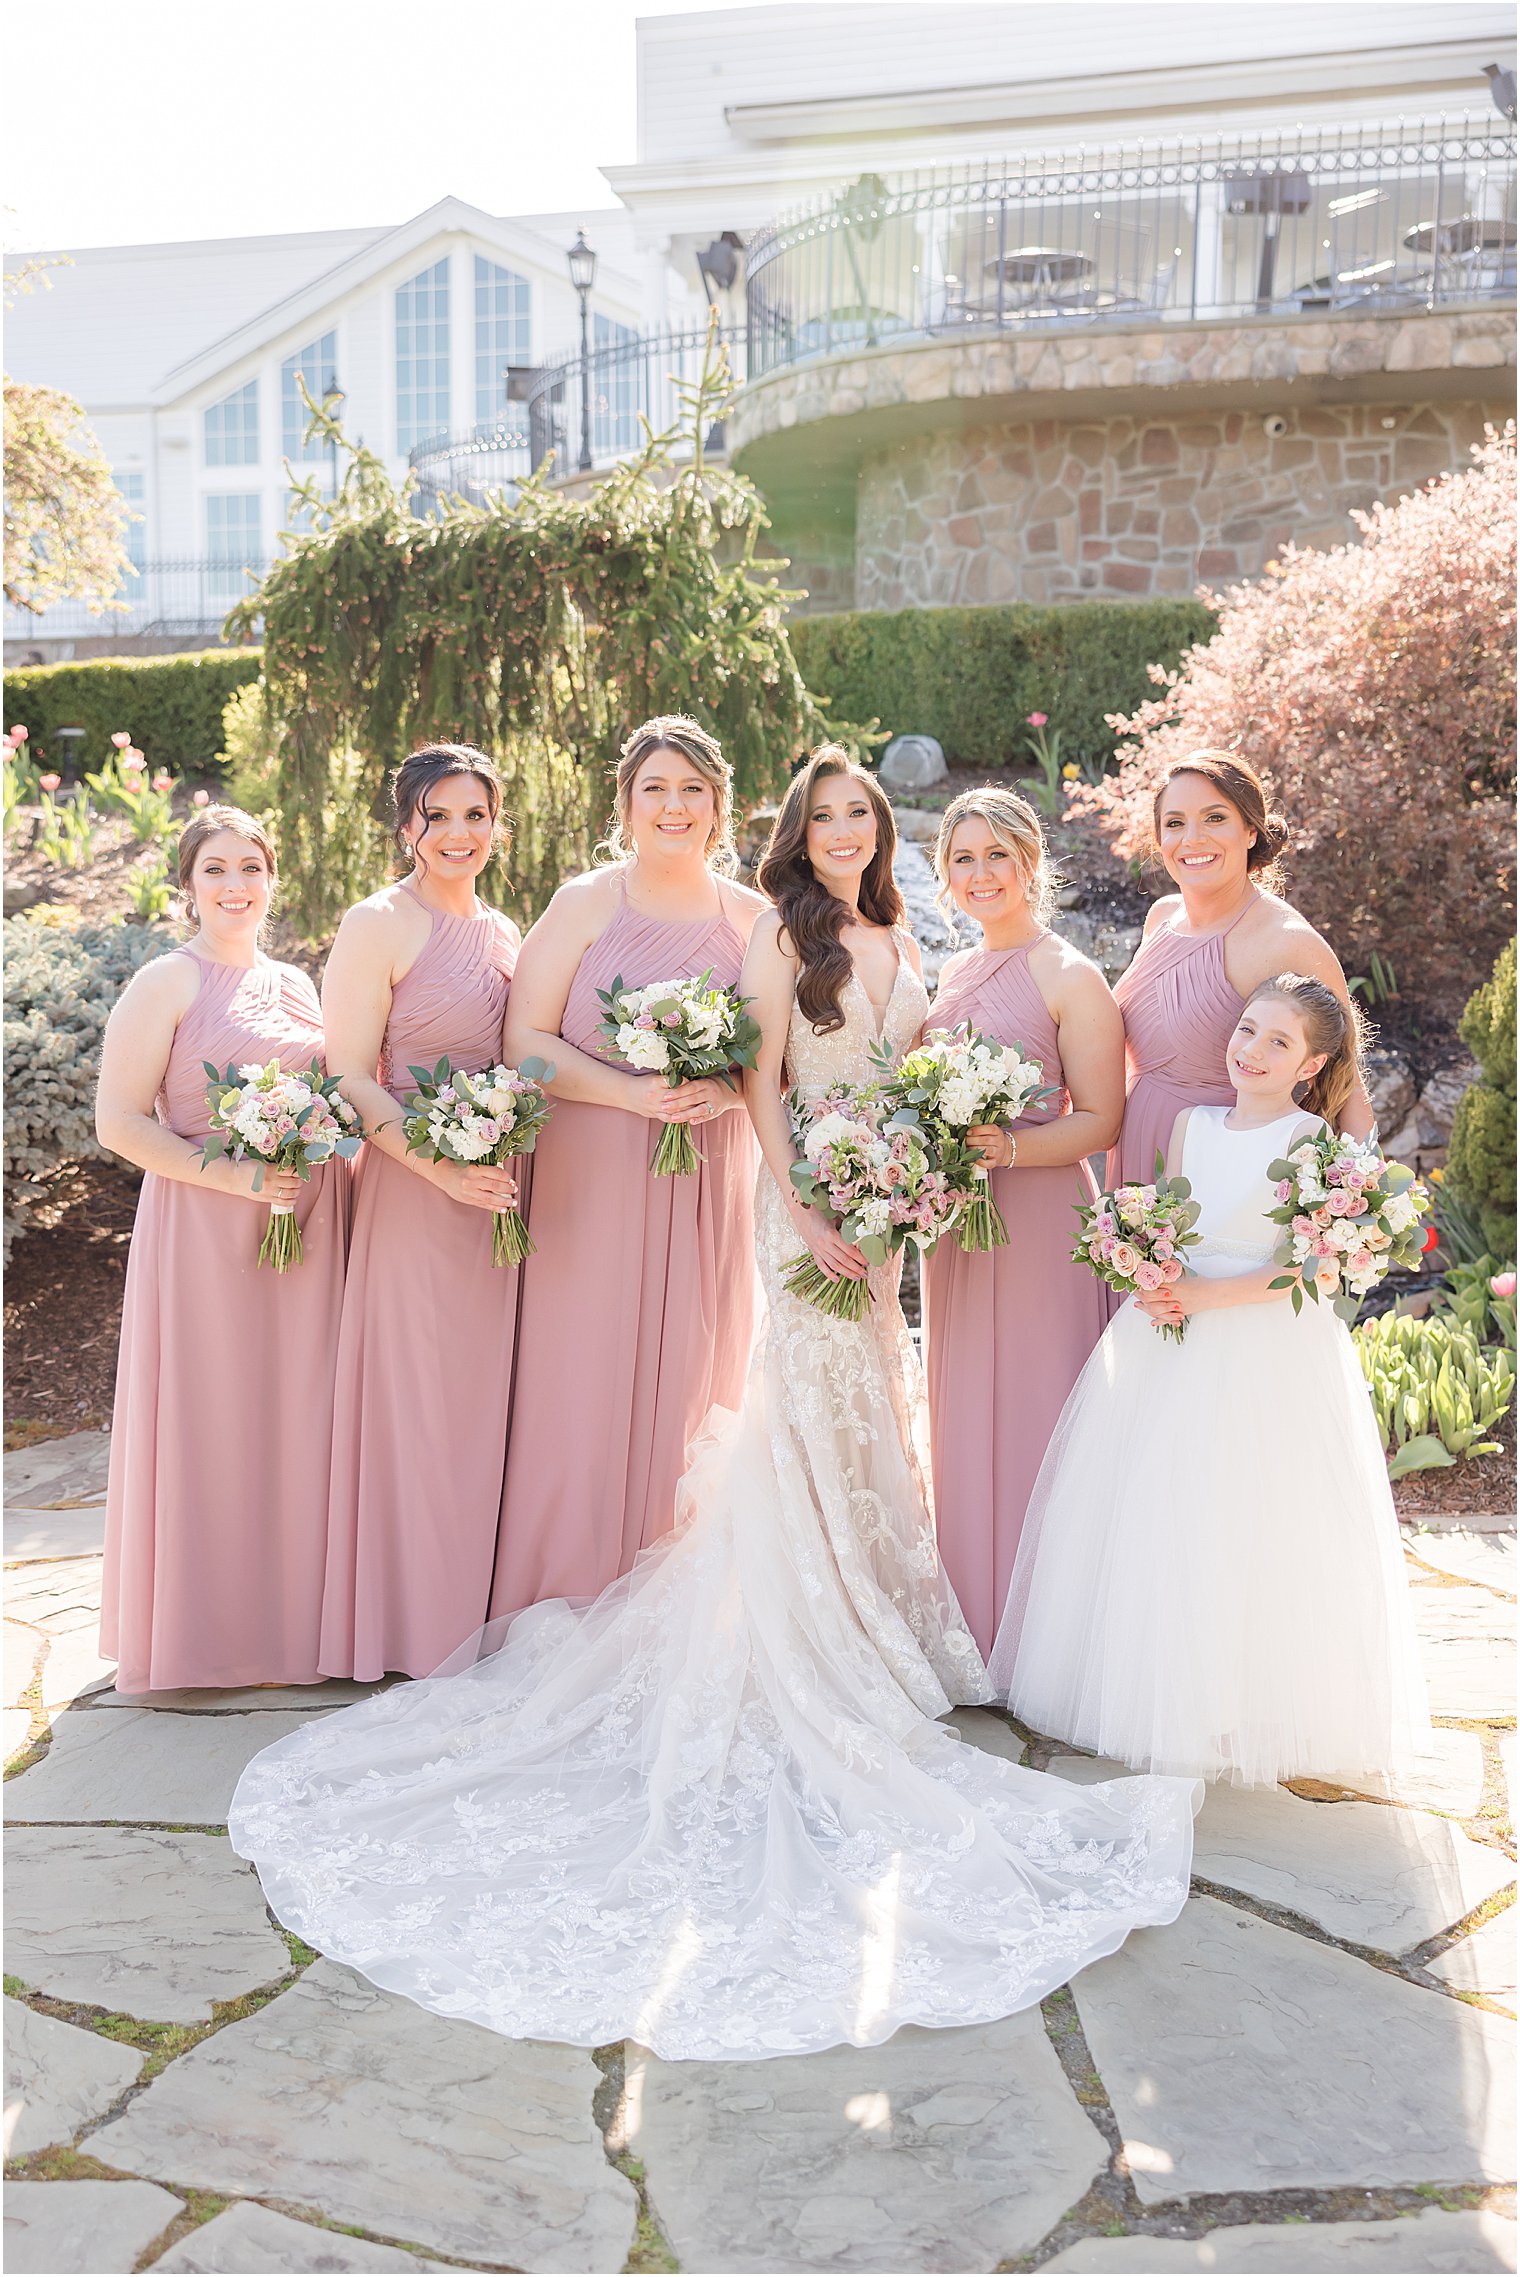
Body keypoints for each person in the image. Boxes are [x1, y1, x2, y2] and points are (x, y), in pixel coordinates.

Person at [228, 746, 1197, 2065]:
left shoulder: (901, 931)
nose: (848, 832)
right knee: (796, 1400)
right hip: (800, 1200)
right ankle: (799, 1622)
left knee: (862, 1407)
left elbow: (913, 1072)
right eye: (827, 816)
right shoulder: (773, 928)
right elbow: (761, 1080)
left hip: (886, 1199)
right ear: (791, 832)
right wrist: (803, 1195)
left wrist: (903, 1170)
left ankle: (870, 1605)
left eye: (865, 814)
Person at [993, 973, 1430, 1788]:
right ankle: (1168, 1690)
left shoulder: (1312, 1141)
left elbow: (1304, 1269)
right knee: (1169, 1511)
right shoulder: (1192, 1125)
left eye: (1278, 1042)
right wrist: (1146, 1266)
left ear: (1311, 1064)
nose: (1253, 1050)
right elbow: (1167, 1218)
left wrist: (1202, 1294)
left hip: (1263, 1346)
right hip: (1172, 1336)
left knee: (1254, 1518)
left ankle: (1247, 1701)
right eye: (1248, 1030)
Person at [491, 719, 764, 1615]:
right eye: (655, 788)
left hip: (707, 1170)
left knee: (697, 1359)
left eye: (691, 789)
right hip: (593, 1163)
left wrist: (722, 1092)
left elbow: (772, 1061)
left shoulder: (753, 919)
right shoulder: (584, 903)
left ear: (719, 806)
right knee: (584, 1363)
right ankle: (570, 1580)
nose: (674, 805)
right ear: (627, 804)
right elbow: (521, 1043)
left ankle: (676, 1578)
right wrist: (626, 1093)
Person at [98, 807, 346, 1694]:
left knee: (294, 1418)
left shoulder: (297, 983)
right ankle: (203, 1636)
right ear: (188, 885)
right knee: (215, 1421)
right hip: (206, 1227)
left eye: (251, 867)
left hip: (304, 1226)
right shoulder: (168, 980)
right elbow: (118, 1121)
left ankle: (290, 1625)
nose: (236, 885)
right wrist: (238, 1180)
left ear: (273, 877)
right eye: (216, 870)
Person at [317, 746, 522, 1682]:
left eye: (474, 815)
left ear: (496, 824)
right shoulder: (377, 924)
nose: (457, 834)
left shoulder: (507, 929)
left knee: (487, 1406)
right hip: (412, 1191)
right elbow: (348, 1076)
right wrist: (441, 1168)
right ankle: (408, 1626)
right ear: (406, 825)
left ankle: (476, 1610)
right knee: (419, 1409)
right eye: (436, 816)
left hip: (500, 1199)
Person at [922, 788, 1121, 1658]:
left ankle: (1047, 1631)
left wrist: (1008, 1150)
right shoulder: (953, 973)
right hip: (958, 1223)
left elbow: (1102, 1119)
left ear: (1030, 862)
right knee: (961, 1404)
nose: (981, 874)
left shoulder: (1069, 974)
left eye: (997, 854)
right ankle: (973, 1618)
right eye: (963, 858)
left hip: (1039, 1214)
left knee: (1041, 1404)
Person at [1109, 752, 1374, 1194]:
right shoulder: (1161, 918)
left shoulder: (1288, 940)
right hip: (1136, 1151)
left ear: (1251, 831)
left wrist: (1361, 1214)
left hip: (1229, 1175)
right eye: (1175, 823)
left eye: (1214, 818)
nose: (1192, 839)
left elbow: (1346, 1083)